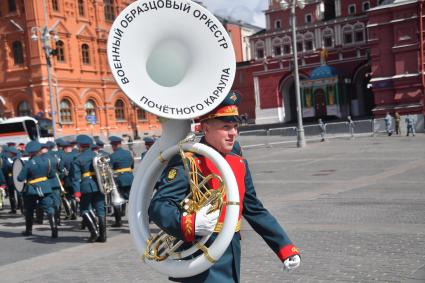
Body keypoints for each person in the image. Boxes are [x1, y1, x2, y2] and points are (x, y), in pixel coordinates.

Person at [149, 92, 301, 282]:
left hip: (230, 252)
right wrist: (190, 223)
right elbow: (159, 205)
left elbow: (254, 209)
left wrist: (284, 247)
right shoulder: (187, 159)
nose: (233, 133)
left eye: (235, 126)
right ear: (206, 128)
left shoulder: (238, 161)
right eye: (226, 127)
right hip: (199, 257)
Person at [18, 141, 57, 238]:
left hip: (32, 189)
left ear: (30, 152)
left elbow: (20, 178)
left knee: (29, 210)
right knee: (49, 208)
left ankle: (28, 230)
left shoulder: (28, 163)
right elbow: (52, 175)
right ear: (40, 150)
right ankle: (54, 230)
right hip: (45, 188)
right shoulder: (47, 161)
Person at [71, 135, 107, 242]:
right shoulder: (98, 155)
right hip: (99, 184)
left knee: (84, 209)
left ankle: (94, 233)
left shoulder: (78, 159)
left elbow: (76, 179)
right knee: (100, 209)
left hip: (86, 186)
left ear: (79, 146)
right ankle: (103, 236)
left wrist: (77, 193)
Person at [108, 136, 134, 227]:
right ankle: (134, 219)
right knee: (131, 199)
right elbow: (132, 165)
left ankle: (118, 221)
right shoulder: (128, 153)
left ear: (114, 145)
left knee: (117, 199)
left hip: (119, 179)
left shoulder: (112, 156)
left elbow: (110, 169)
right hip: (130, 178)